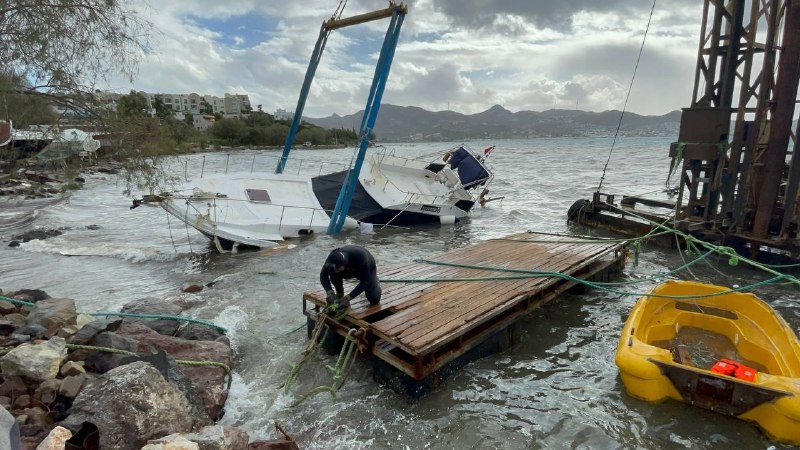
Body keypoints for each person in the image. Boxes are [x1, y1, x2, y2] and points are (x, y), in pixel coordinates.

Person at [320, 245, 381, 310]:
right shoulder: (331, 259)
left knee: (374, 298)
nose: (336, 271)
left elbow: (365, 282)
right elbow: (323, 275)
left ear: (343, 264)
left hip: (367, 269)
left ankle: (375, 280)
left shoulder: (361, 257)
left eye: (337, 269)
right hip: (347, 270)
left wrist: (348, 298)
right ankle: (340, 293)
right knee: (333, 274)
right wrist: (329, 292)